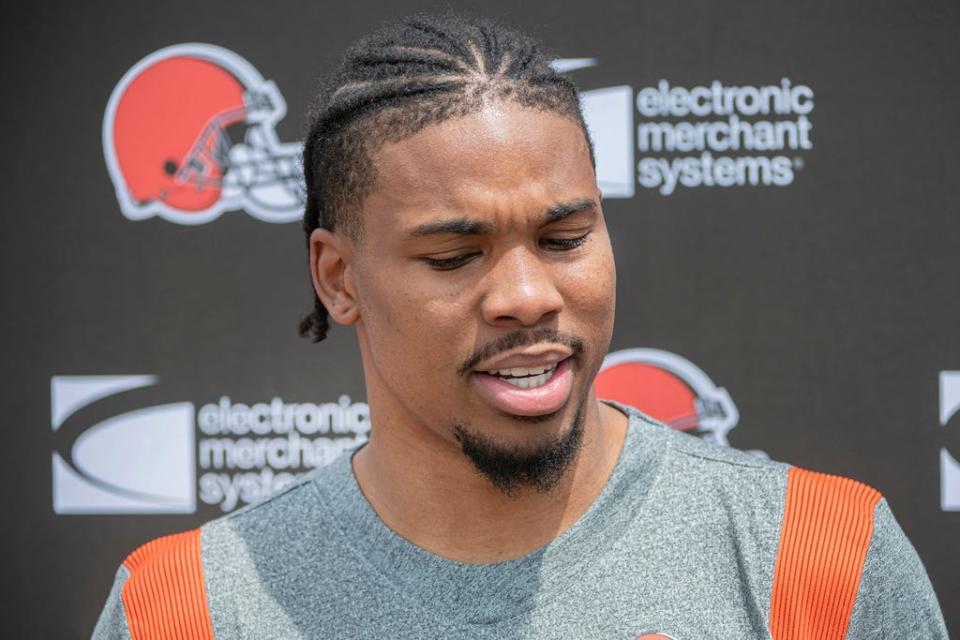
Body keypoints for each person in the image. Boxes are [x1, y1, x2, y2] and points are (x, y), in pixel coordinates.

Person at [92, 13, 948, 639]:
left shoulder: (824, 560)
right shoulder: (186, 610)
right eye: (455, 255)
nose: (528, 295)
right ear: (338, 277)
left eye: (565, 238)